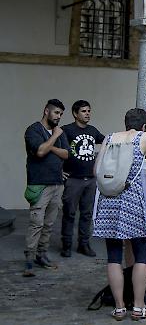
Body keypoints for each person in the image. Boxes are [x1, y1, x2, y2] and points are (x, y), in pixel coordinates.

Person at [93, 108, 146, 320]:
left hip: (108, 200)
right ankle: (138, 306)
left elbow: (96, 171)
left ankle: (118, 307)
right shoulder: (144, 137)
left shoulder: (109, 137)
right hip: (131, 200)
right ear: (144, 125)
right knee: (141, 253)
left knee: (114, 256)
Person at [23, 99, 70, 277]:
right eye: (56, 113)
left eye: (60, 114)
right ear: (46, 111)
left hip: (57, 183)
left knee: (49, 224)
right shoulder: (33, 130)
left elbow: (66, 154)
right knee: (37, 223)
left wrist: (50, 145)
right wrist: (54, 137)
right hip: (39, 184)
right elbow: (40, 151)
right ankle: (29, 257)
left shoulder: (60, 132)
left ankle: (41, 255)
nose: (58, 117)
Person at [60, 100, 105, 258]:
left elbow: (106, 141)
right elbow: (56, 150)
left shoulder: (92, 130)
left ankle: (83, 244)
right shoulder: (66, 130)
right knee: (69, 213)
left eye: (89, 111)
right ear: (75, 113)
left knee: (86, 214)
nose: (87, 114)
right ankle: (66, 245)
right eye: (84, 111)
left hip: (90, 179)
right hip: (73, 178)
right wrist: (59, 170)